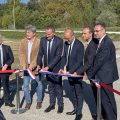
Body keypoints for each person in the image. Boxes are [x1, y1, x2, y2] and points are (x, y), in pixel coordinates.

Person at [88, 23, 119, 120]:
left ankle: (112, 118)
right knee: (105, 100)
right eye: (94, 31)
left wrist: (90, 74)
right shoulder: (102, 41)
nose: (95, 33)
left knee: (108, 100)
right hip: (102, 76)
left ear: (103, 30)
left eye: (97, 31)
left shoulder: (106, 43)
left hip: (106, 77)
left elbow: (99, 62)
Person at [37, 25, 64, 113]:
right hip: (46, 68)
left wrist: (49, 67)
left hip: (56, 68)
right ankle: (52, 104)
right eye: (46, 34)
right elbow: (40, 54)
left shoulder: (59, 41)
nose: (47, 36)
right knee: (50, 87)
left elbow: (58, 56)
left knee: (58, 87)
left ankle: (60, 105)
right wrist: (38, 64)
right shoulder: (42, 40)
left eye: (49, 34)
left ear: (53, 33)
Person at [60, 28, 84, 120]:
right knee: (72, 91)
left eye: (68, 38)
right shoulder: (66, 43)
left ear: (72, 36)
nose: (67, 40)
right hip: (70, 72)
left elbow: (79, 61)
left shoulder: (79, 45)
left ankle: (79, 113)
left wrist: (70, 72)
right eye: (65, 39)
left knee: (78, 92)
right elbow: (64, 57)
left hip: (77, 72)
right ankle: (75, 108)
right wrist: (62, 68)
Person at [75, 27, 98, 120]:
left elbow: (89, 62)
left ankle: (98, 115)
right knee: (96, 95)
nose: (82, 35)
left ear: (90, 34)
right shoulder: (90, 43)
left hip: (94, 75)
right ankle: (98, 113)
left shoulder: (92, 45)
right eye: (82, 33)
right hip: (92, 74)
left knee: (98, 96)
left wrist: (78, 72)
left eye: (84, 33)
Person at [19, 25, 43, 110]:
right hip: (26, 67)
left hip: (35, 67)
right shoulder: (23, 41)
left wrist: (32, 66)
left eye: (29, 32)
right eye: (26, 32)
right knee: (25, 85)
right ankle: (28, 102)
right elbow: (21, 54)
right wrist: (23, 64)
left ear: (34, 33)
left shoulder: (39, 42)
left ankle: (39, 101)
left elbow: (38, 56)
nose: (27, 34)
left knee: (39, 84)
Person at [0, 35, 15, 107]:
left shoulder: (7, 48)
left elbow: (11, 58)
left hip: (4, 70)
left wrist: (6, 65)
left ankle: (7, 101)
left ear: (1, 40)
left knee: (5, 85)